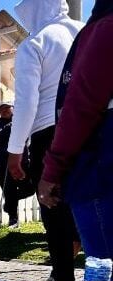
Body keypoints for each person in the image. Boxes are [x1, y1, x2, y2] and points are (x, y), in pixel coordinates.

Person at [7, 0, 83, 281]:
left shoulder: (34, 43)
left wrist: (15, 151)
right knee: (92, 206)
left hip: (49, 133)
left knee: (54, 210)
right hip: (93, 128)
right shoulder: (85, 32)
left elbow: (27, 103)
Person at [39, 0, 113, 262]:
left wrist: (52, 170)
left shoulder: (105, 27)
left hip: (99, 172)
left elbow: (81, 105)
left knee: (103, 275)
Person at [0, 103, 28, 228]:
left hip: (21, 161)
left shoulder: (21, 122)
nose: (4, 110)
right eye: (1, 109)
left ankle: (8, 203)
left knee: (29, 188)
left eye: (7, 108)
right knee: (8, 189)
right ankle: (13, 219)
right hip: (1, 163)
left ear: (13, 108)